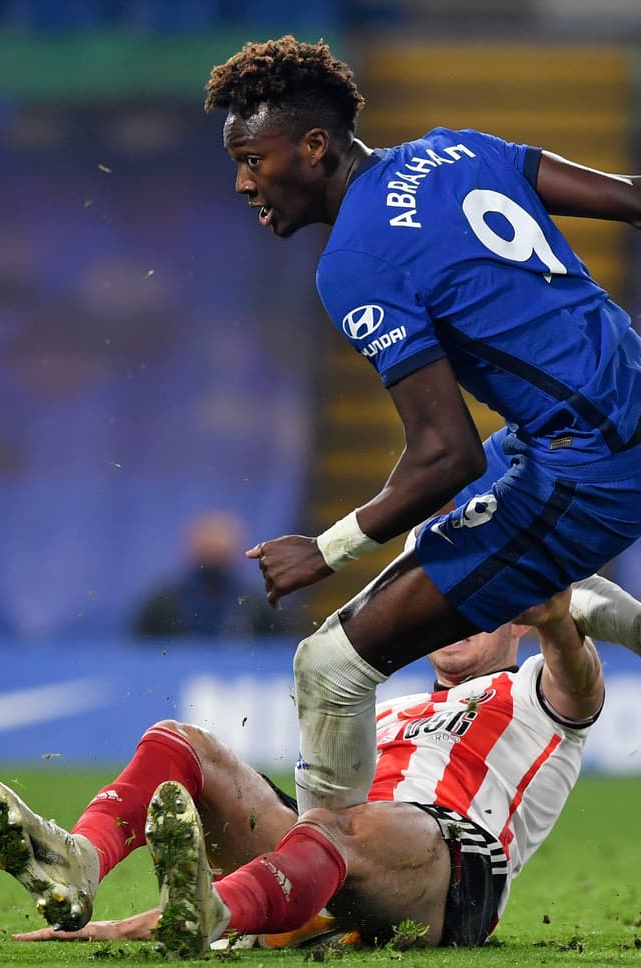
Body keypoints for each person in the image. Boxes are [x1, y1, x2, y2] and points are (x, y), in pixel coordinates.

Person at [195, 36, 641, 821]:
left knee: (330, 666)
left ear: (313, 146)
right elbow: (634, 196)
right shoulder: (458, 149)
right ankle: (586, 606)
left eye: (252, 159)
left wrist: (324, 551)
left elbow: (446, 455)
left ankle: (317, 886)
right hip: (590, 422)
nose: (241, 182)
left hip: (591, 464)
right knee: (497, 540)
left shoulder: (357, 259)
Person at [0, 586, 602, 954]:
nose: (459, 616)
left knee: (342, 824)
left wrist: (558, 624)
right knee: (179, 742)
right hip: (327, 843)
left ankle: (210, 913)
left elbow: (579, 682)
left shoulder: (536, 692)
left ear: (519, 619)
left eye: (483, 602)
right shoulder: (391, 706)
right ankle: (82, 860)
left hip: (450, 872)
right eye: (449, 603)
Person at [133, 510, 280, 638]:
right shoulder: (164, 604)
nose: (213, 560)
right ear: (192, 551)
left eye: (221, 554)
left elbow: (278, 651)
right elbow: (139, 651)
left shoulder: (256, 604)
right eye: (207, 553)